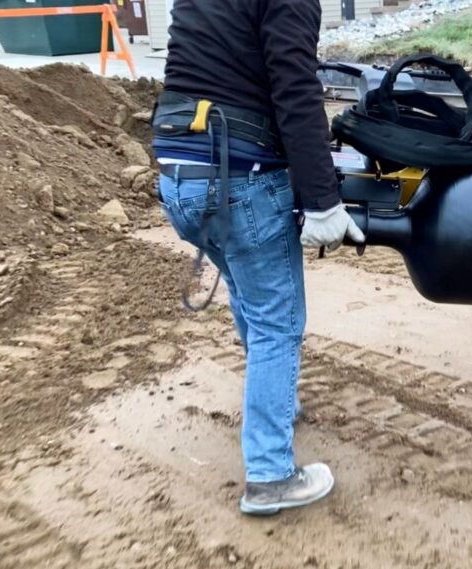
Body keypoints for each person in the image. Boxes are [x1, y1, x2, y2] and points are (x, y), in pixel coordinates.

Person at [152, 0, 365, 514]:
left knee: (249, 295)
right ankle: (270, 475)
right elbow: (294, 86)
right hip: (239, 176)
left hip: (178, 173)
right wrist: (322, 200)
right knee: (276, 321)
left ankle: (279, 405)